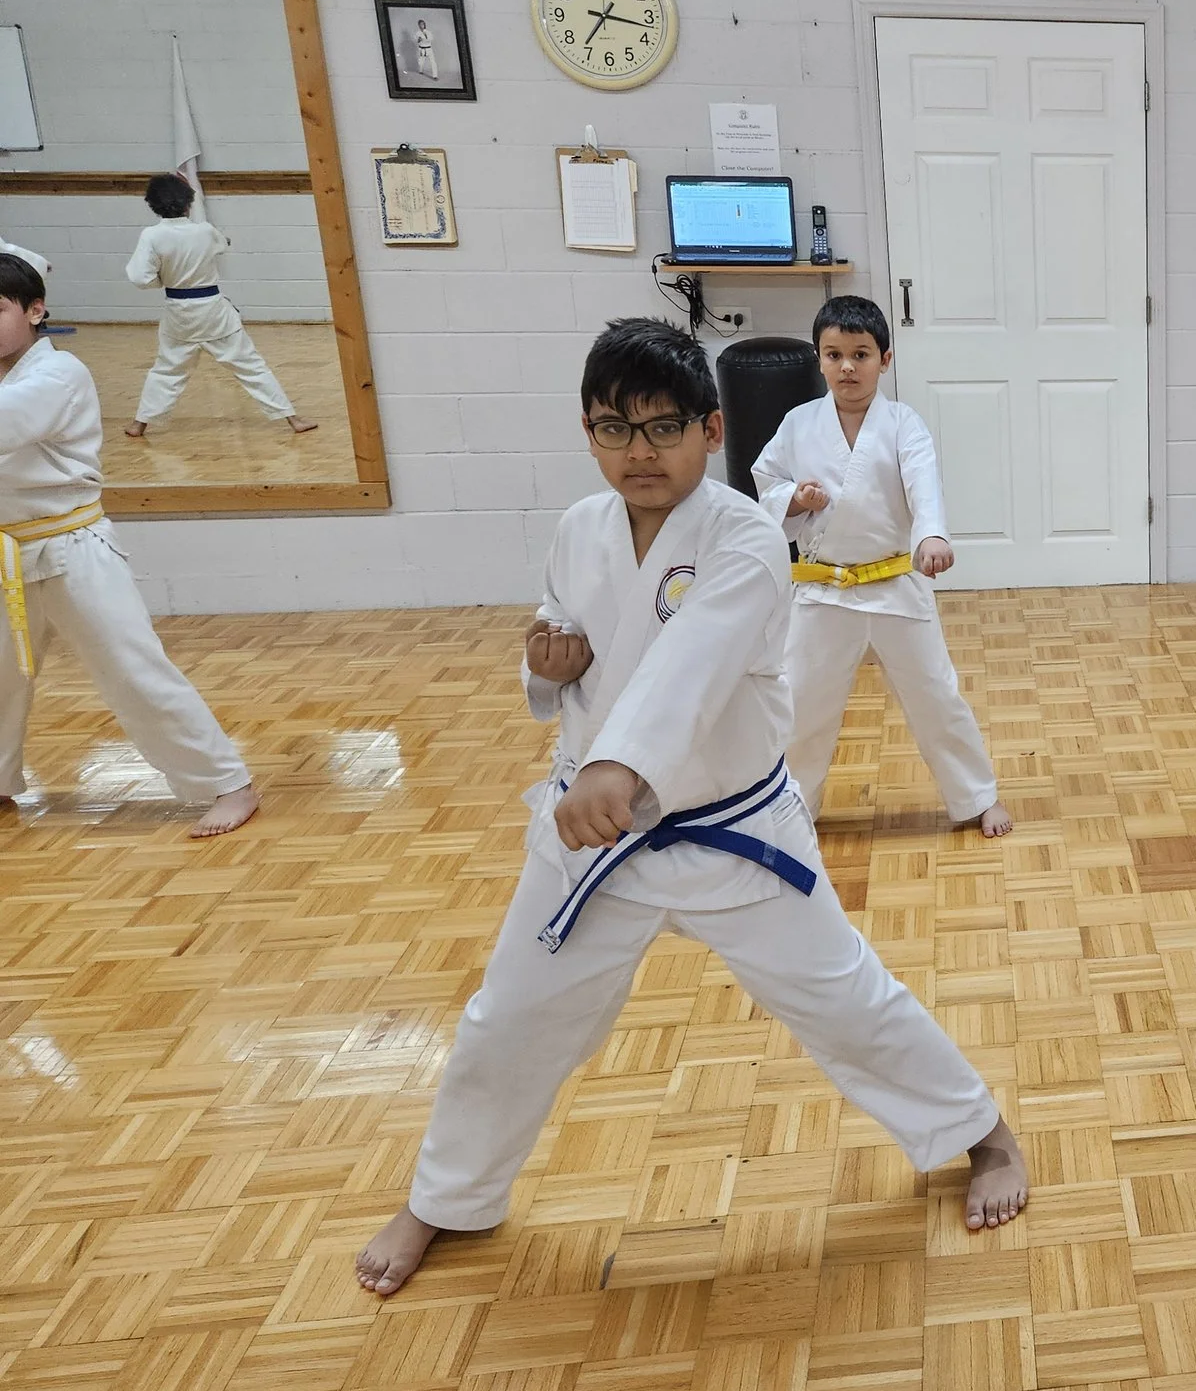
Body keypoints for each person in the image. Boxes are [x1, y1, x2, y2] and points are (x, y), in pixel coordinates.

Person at [356, 317, 1026, 1296]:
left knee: (844, 999)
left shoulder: (747, 537)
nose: (637, 452)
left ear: (711, 432)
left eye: (661, 428)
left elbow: (694, 662)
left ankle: (984, 1136)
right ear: (586, 434)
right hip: (592, 833)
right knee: (508, 1020)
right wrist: (549, 669)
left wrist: (619, 767)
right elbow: (567, 639)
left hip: (733, 833)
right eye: (612, 429)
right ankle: (445, 1196)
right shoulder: (578, 530)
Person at [0, 253, 259, 837]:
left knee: (132, 670)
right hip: (5, 553)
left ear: (36, 310)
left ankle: (227, 783)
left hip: (71, 547)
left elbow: (8, 423)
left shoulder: (59, 374)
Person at [750, 295, 1011, 838]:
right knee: (801, 704)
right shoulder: (798, 424)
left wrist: (931, 534)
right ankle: (791, 810)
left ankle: (977, 796)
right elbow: (766, 482)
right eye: (834, 354)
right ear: (818, 359)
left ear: (884, 360)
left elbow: (924, 483)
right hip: (825, 591)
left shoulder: (902, 423)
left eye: (861, 354)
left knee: (937, 695)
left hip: (894, 581)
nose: (848, 366)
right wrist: (794, 500)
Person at [122, 172, 314, 441]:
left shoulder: (152, 236)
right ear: (188, 202)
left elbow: (140, 277)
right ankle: (292, 419)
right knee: (251, 366)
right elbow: (222, 244)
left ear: (152, 204)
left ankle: (139, 424)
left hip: (179, 311)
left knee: (167, 370)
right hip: (212, 309)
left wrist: (163, 279)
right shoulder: (205, 230)